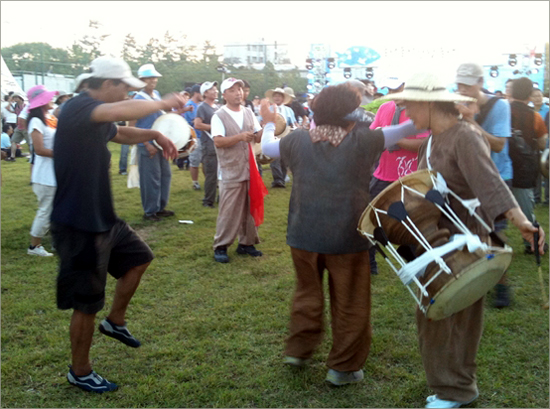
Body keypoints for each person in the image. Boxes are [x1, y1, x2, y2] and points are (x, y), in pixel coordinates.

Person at [381, 72, 545, 408]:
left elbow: (490, 184)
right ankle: (453, 386)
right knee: (438, 315)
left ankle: (455, 390)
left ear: (429, 103)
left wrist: (521, 222)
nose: (406, 111)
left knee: (453, 317)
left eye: (409, 103)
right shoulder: (431, 140)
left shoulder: (465, 136)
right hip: (437, 241)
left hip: (465, 239)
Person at [260, 83, 425, 386]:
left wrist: (269, 121)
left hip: (303, 234)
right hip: (347, 237)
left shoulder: (296, 140)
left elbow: (267, 148)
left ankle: (298, 350)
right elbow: (408, 127)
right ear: (351, 113)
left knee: (306, 292)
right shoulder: (366, 139)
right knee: (350, 300)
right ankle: (344, 368)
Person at [51, 56, 184, 393]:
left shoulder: (95, 116)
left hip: (103, 217)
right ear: (108, 84)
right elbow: (118, 113)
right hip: (78, 223)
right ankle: (80, 371)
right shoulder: (78, 108)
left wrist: (154, 132)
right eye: (125, 86)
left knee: (139, 258)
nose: (128, 93)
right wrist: (164, 102)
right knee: (86, 303)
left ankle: (116, 321)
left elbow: (120, 131)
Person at [454, 62, 514, 307]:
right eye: (460, 84)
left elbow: (499, 144)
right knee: (468, 231)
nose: (463, 89)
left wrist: (470, 121)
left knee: (493, 232)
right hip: (467, 178)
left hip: (496, 175)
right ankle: (476, 281)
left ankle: (502, 286)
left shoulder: (499, 106)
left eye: (468, 84)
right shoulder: (454, 101)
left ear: (480, 82)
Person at [367, 75, 430, 275]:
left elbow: (425, 143)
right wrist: (379, 137)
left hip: (410, 176)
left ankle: (422, 261)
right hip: (383, 174)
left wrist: (394, 139)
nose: (393, 94)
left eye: (398, 89)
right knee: (368, 220)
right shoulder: (385, 107)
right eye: (390, 89)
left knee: (411, 223)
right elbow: (373, 134)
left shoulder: (421, 111)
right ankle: (369, 264)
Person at [211, 78, 265, 263]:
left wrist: (270, 125)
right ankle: (221, 245)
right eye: (232, 90)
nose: (238, 93)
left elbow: (257, 137)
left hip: (250, 168)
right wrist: (240, 137)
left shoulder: (249, 112)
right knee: (229, 210)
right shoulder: (219, 115)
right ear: (224, 94)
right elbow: (218, 141)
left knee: (249, 207)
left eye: (240, 89)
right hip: (230, 169)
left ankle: (247, 243)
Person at [507, 77, 548, 253]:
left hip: (499, 166)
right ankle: (532, 243)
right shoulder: (536, 117)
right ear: (530, 95)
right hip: (523, 168)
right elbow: (541, 143)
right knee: (525, 207)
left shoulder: (501, 111)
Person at [133, 64, 176, 222]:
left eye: (154, 77)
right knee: (150, 178)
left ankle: (160, 207)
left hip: (159, 141)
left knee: (165, 175)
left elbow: (161, 116)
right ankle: (150, 211)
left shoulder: (156, 95)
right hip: (147, 143)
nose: (153, 81)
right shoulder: (137, 99)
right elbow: (133, 126)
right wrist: (146, 143)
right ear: (141, 80)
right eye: (149, 78)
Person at [26, 85, 59, 257]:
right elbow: (39, 149)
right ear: (41, 101)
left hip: (54, 174)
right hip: (45, 176)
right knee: (46, 211)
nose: (52, 98)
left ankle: (57, 242)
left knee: (56, 210)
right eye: (48, 97)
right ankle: (34, 246)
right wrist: (63, 154)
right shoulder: (36, 121)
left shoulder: (49, 118)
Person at [194, 81, 219, 208]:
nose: (215, 91)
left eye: (215, 89)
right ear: (205, 93)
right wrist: (215, 127)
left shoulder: (217, 107)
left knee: (220, 173)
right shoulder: (202, 107)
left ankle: (220, 198)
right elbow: (197, 124)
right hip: (208, 144)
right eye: (212, 89)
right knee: (211, 174)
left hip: (218, 144)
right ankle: (208, 201)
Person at [265, 87, 297, 188]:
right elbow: (263, 122)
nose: (277, 98)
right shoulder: (269, 109)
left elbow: (293, 123)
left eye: (279, 96)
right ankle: (278, 180)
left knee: (284, 159)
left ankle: (282, 178)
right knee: (274, 159)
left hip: (285, 136)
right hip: (273, 136)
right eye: (275, 96)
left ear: (283, 98)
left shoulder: (288, 110)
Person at [184, 84, 204, 190]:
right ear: (196, 93)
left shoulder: (202, 104)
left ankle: (208, 180)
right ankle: (195, 182)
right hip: (195, 137)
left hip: (205, 136)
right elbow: (187, 122)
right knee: (195, 160)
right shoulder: (189, 105)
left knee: (206, 161)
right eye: (201, 93)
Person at [9, 93, 30, 161]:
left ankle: (33, 157)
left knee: (30, 143)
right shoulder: (16, 106)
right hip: (19, 126)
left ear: (20, 98)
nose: (15, 99)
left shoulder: (25, 105)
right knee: (13, 141)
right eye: (14, 98)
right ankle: (12, 157)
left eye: (16, 97)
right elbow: (17, 115)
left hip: (25, 126)